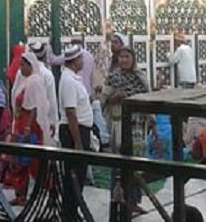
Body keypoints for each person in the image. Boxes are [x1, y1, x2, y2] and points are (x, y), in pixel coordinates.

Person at [100, 46, 151, 215]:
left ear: (133, 59)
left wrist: (152, 123)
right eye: (121, 57)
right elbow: (103, 101)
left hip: (137, 126)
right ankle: (118, 199)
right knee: (120, 163)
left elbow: (148, 99)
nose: (123, 60)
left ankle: (134, 201)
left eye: (127, 56)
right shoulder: (113, 78)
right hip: (119, 125)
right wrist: (115, 98)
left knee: (137, 163)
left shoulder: (140, 77)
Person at [8, 52, 51, 206]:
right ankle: (20, 194)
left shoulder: (35, 81)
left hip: (29, 126)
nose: (20, 68)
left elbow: (34, 106)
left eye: (23, 65)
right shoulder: (24, 81)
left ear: (30, 65)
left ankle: (43, 191)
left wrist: (27, 126)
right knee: (17, 162)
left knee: (29, 161)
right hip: (20, 124)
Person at [58, 44, 94, 214]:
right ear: (74, 61)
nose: (83, 61)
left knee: (77, 176)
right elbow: (70, 112)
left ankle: (71, 211)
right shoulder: (68, 81)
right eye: (81, 58)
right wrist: (78, 142)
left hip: (79, 130)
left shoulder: (72, 78)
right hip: (74, 132)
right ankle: (69, 213)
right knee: (74, 176)